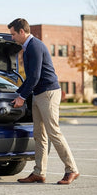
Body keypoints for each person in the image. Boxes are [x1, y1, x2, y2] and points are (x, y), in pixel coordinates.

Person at [7, 18, 79, 184]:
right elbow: (30, 79)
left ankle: (72, 169)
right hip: (39, 94)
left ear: (22, 32)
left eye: (13, 34)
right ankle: (39, 172)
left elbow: (35, 76)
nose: (12, 38)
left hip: (49, 93)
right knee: (39, 135)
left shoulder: (35, 46)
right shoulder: (28, 47)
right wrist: (17, 93)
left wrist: (22, 97)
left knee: (53, 132)